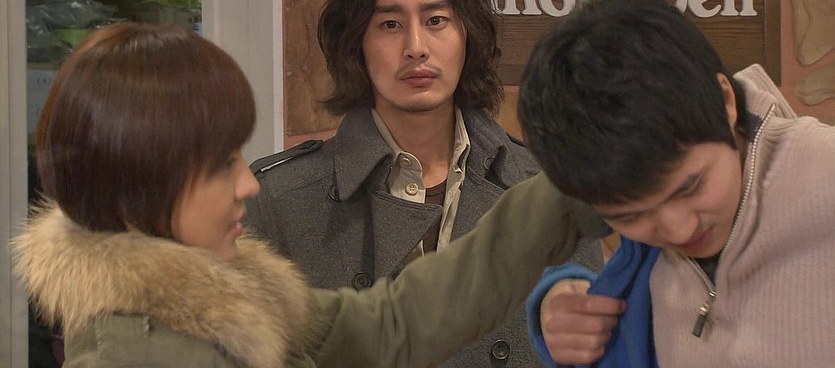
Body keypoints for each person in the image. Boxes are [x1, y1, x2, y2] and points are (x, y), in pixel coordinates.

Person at [11, 23, 610, 368]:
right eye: (221, 165)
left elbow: (395, 321)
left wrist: (576, 185)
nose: (248, 184)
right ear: (143, 182)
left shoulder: (233, 298)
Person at [245, 0, 602, 367]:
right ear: (356, 43)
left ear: (468, 33)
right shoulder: (279, 200)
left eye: (436, 21)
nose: (415, 48)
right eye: (390, 25)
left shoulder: (547, 188)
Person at [518, 0, 835, 367]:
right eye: (630, 216)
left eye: (690, 187)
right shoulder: (640, 262)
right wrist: (556, 304)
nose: (679, 230)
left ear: (725, 101)